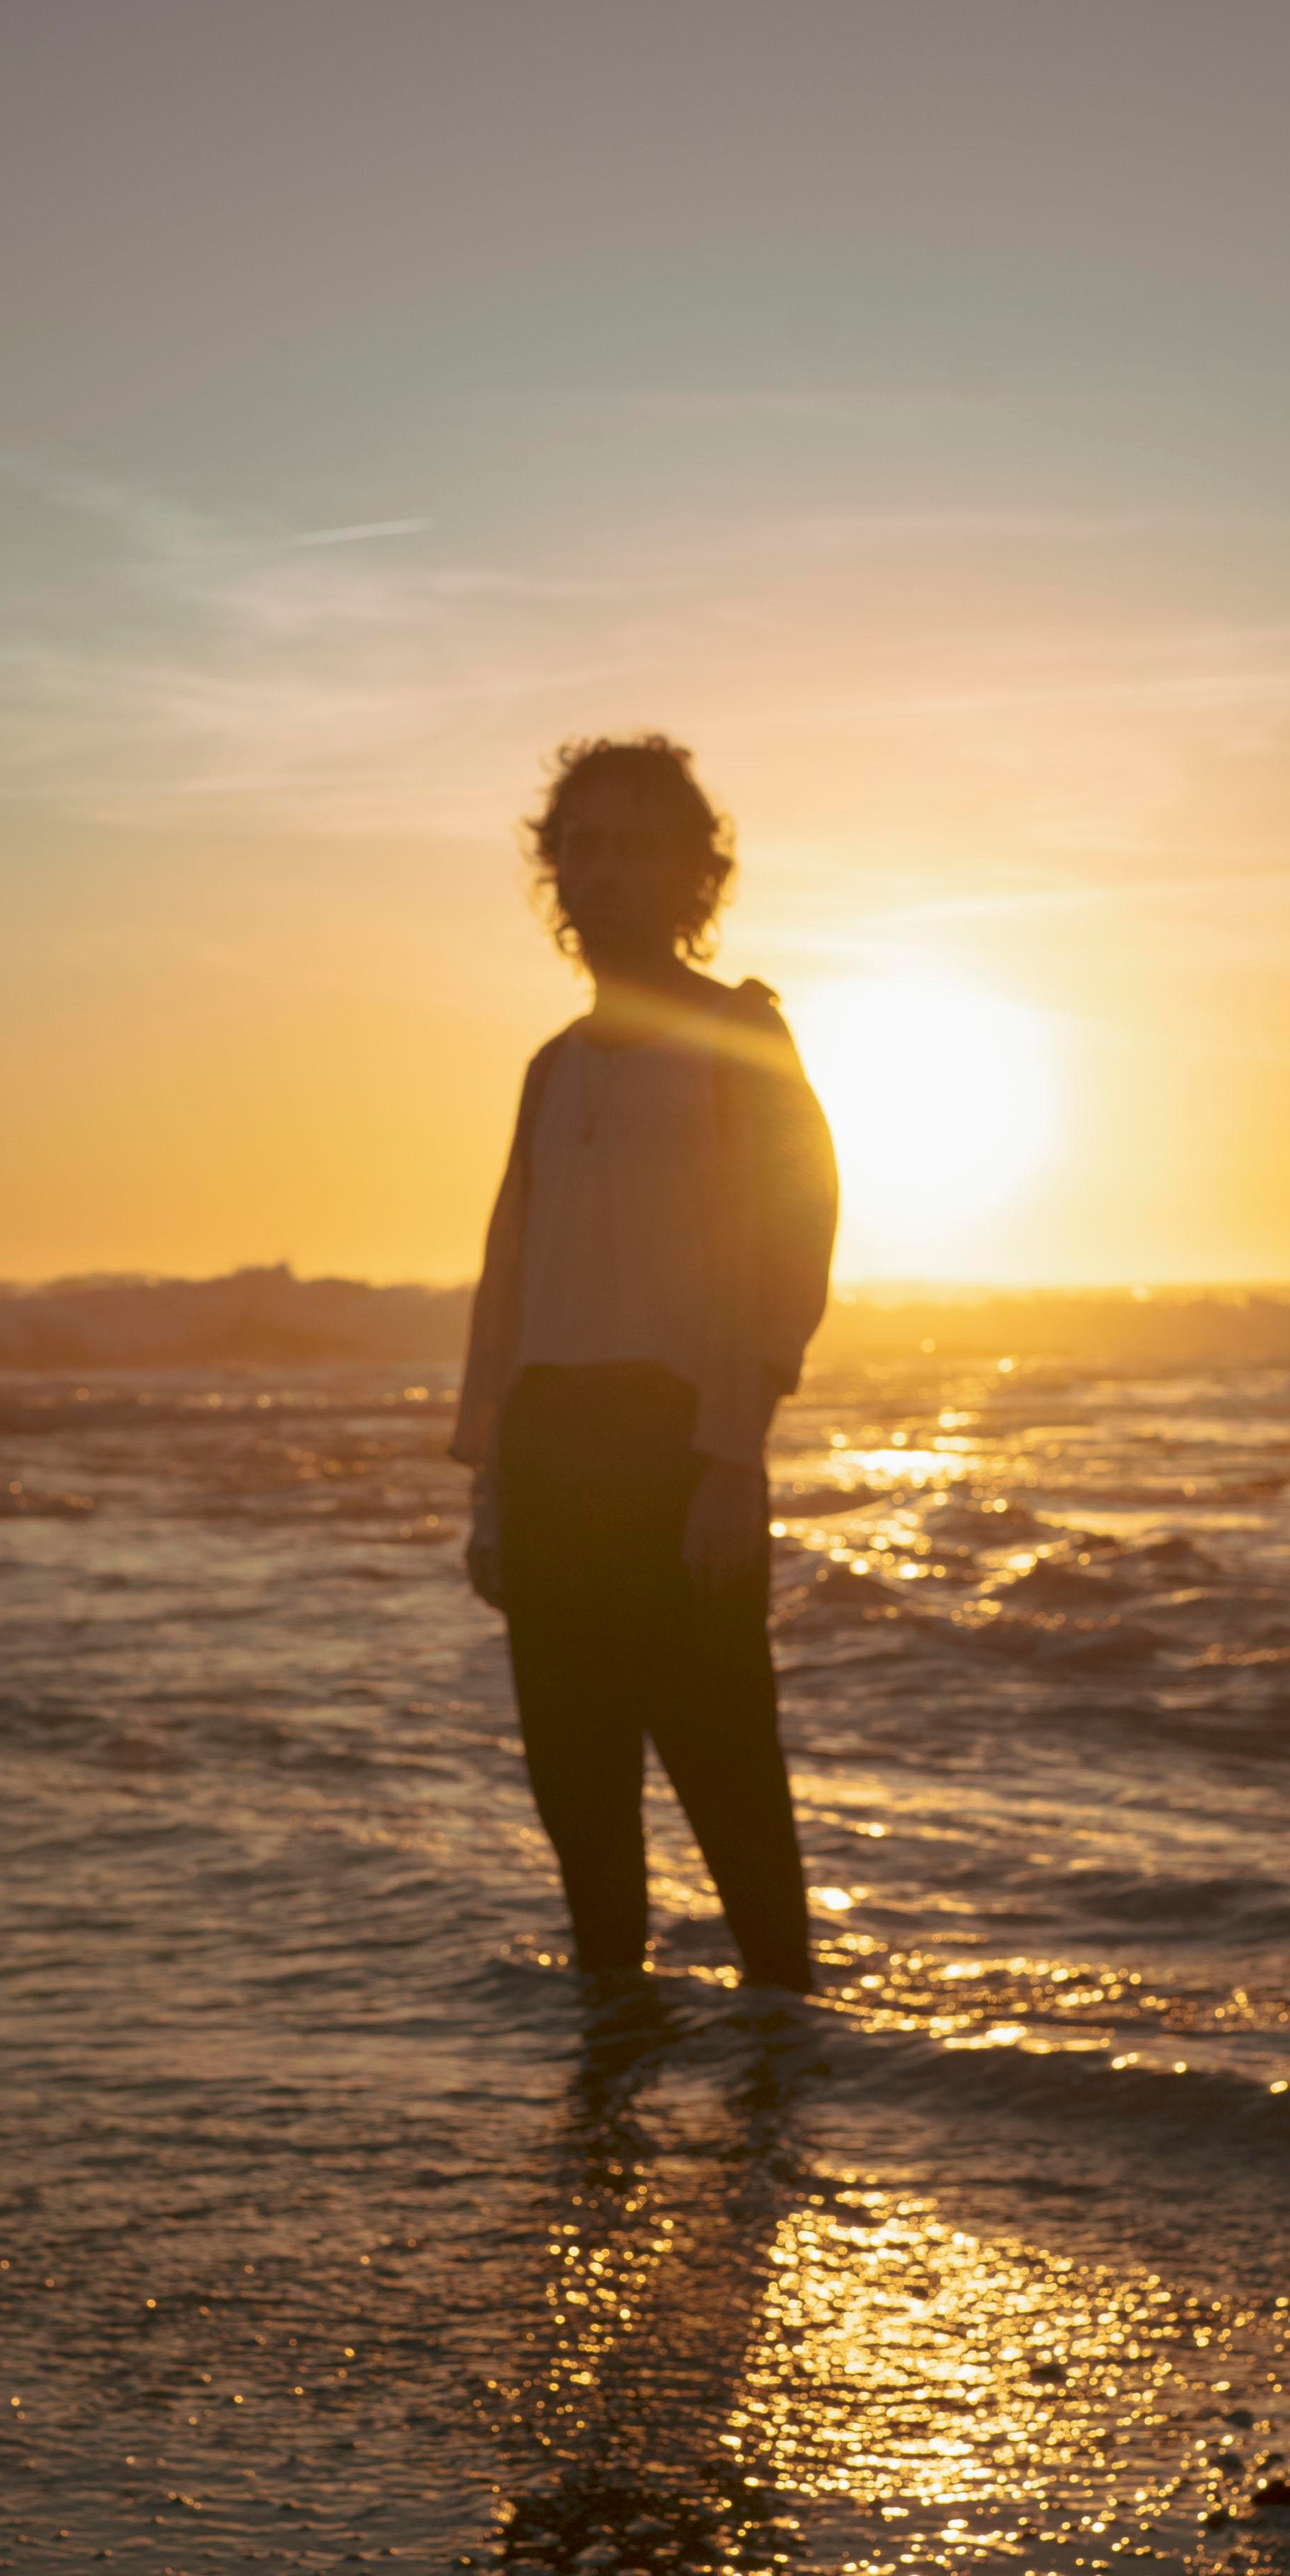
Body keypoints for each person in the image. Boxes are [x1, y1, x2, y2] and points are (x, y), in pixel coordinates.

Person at [451, 734, 838, 1995]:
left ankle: (780, 2136)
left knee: (738, 1817)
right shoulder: (551, 1070)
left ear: (692, 876)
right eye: (582, 847)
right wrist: (492, 1486)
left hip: (679, 1454)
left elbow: (790, 1245)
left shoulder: (741, 1032)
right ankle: (605, 2129)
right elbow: (512, 1286)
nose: (602, 871)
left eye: (634, 847)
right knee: (584, 1827)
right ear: (553, 874)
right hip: (553, 1458)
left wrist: (734, 1456)